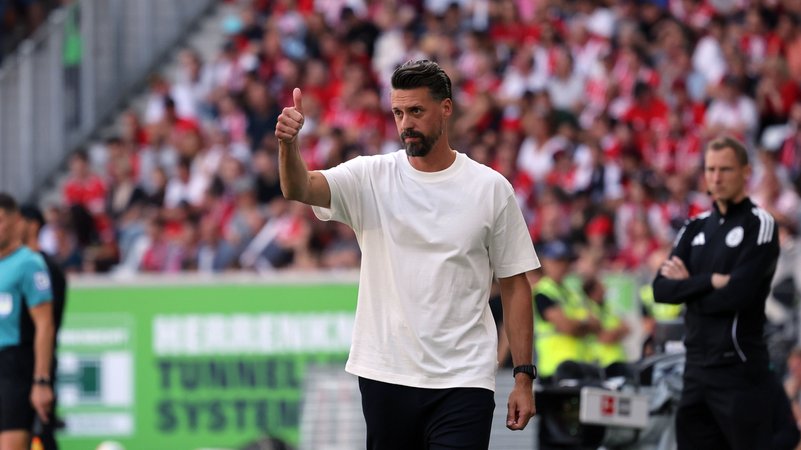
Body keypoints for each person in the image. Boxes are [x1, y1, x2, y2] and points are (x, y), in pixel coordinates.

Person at [275, 59, 540, 449]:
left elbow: (516, 286)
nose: (405, 123)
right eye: (398, 112)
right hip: (385, 374)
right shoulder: (370, 176)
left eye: (416, 111)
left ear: (445, 108)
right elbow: (299, 187)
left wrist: (523, 378)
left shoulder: (490, 188)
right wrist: (288, 145)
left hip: (463, 378)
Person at [652, 136, 797, 450]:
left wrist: (688, 285)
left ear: (746, 172)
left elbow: (739, 295)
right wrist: (711, 281)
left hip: (738, 367)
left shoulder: (760, 224)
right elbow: (660, 289)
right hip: (695, 367)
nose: (716, 178)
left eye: (726, 169)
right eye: (710, 169)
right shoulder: (693, 227)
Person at [0, 193, 55, 450]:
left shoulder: (29, 264)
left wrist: (41, 381)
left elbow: (45, 324)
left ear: (15, 222)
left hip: (14, 366)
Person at [20, 204, 67, 450]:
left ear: (33, 225)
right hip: (13, 363)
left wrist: (42, 376)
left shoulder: (46, 268)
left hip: (37, 362)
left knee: (40, 430)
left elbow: (47, 323)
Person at [532, 240, 600, 382]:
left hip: (578, 367)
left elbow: (597, 324)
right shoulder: (543, 292)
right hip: (554, 370)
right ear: (545, 262)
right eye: (557, 261)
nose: (562, 266)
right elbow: (567, 326)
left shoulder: (572, 292)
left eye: (565, 261)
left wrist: (579, 324)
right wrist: (583, 323)